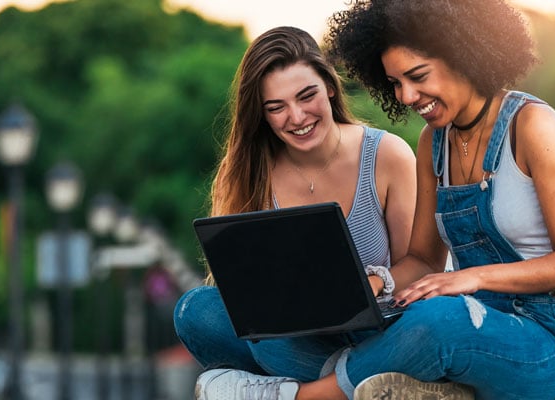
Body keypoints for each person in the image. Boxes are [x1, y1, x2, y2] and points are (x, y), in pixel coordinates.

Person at [192, 1, 555, 399]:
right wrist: (371, 285)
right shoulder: (433, 142)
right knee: (205, 313)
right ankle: (389, 383)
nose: (406, 96)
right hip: (473, 326)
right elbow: (422, 261)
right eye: (395, 83)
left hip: (553, 339)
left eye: (417, 76)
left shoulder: (532, 125)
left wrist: (472, 277)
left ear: (463, 54)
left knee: (438, 320)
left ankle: (309, 395)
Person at [173, 25, 417, 397]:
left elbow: (420, 264)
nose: (297, 116)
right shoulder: (248, 172)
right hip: (290, 335)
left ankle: (294, 392)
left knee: (269, 344)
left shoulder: (387, 155)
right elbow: (243, 293)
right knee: (195, 311)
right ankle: (345, 385)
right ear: (263, 115)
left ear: (330, 87)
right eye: (277, 108)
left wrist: (375, 281)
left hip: (370, 329)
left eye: (307, 96)